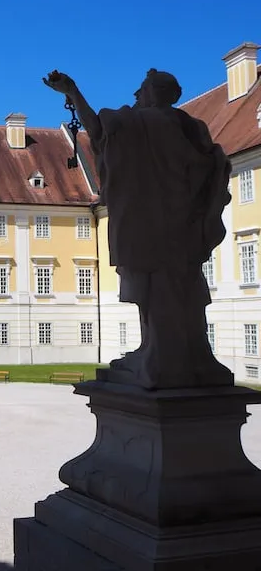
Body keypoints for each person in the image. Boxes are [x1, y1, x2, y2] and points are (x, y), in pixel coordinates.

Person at [43, 68, 233, 389]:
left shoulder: (140, 122)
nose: (135, 96)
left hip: (147, 222)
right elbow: (213, 166)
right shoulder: (192, 126)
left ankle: (160, 356)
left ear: (152, 93)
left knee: (152, 288)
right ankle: (172, 353)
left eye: (140, 89)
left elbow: (97, 129)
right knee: (179, 287)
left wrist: (73, 91)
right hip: (182, 224)